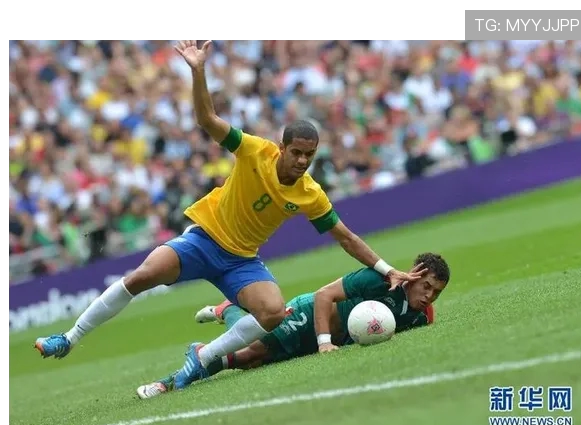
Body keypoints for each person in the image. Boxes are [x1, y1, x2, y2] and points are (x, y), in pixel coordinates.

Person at [34, 40, 423, 382]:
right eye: (297, 152)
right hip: (203, 240)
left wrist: (387, 269)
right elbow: (207, 119)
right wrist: (198, 71)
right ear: (282, 147)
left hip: (241, 261)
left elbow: (346, 238)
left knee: (273, 312)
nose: (303, 160)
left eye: (310, 154)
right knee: (141, 277)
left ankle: (204, 356)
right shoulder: (253, 150)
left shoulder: (311, 194)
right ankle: (69, 338)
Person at [136, 252, 450, 398]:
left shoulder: (423, 316)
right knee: (248, 354)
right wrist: (325, 341)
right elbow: (324, 295)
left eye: (436, 292)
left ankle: (227, 311)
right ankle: (169, 382)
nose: (429, 296)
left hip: (329, 340)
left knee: (250, 362)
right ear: (415, 275)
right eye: (426, 286)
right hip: (309, 315)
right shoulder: (378, 280)